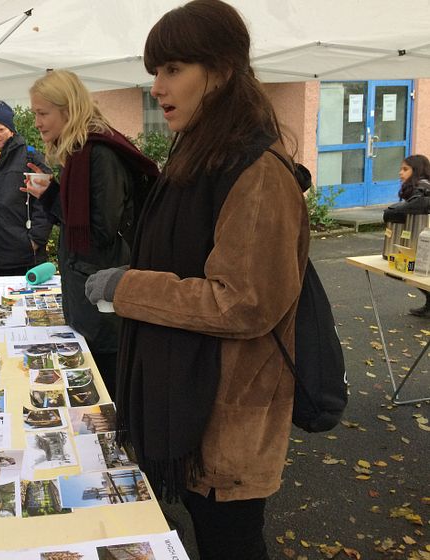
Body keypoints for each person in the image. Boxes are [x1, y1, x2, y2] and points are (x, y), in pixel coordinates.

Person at [83, 1, 309, 558]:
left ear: (223, 71)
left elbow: (244, 303)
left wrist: (126, 287)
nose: (158, 87)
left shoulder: (255, 171)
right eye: (155, 72)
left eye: (174, 69)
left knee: (229, 542)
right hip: (192, 403)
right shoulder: (202, 155)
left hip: (228, 415)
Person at [22, 71, 159, 399]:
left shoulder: (98, 154)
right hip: (90, 293)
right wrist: (54, 193)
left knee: (107, 390)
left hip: (103, 300)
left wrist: (54, 197)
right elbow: (82, 219)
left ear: (67, 110)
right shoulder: (81, 152)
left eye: (43, 113)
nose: (37, 122)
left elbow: (99, 232)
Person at [0, 101, 52, 277]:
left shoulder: (31, 158)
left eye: (0, 130)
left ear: (11, 130)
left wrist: (35, 240)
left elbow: (46, 202)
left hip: (23, 258)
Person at [398, 154, 430, 316]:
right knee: (415, 271)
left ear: (416, 171)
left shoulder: (423, 187)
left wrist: (393, 211)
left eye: (405, 169)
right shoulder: (415, 187)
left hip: (426, 238)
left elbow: (415, 206)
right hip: (420, 237)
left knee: (418, 271)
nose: (400, 173)